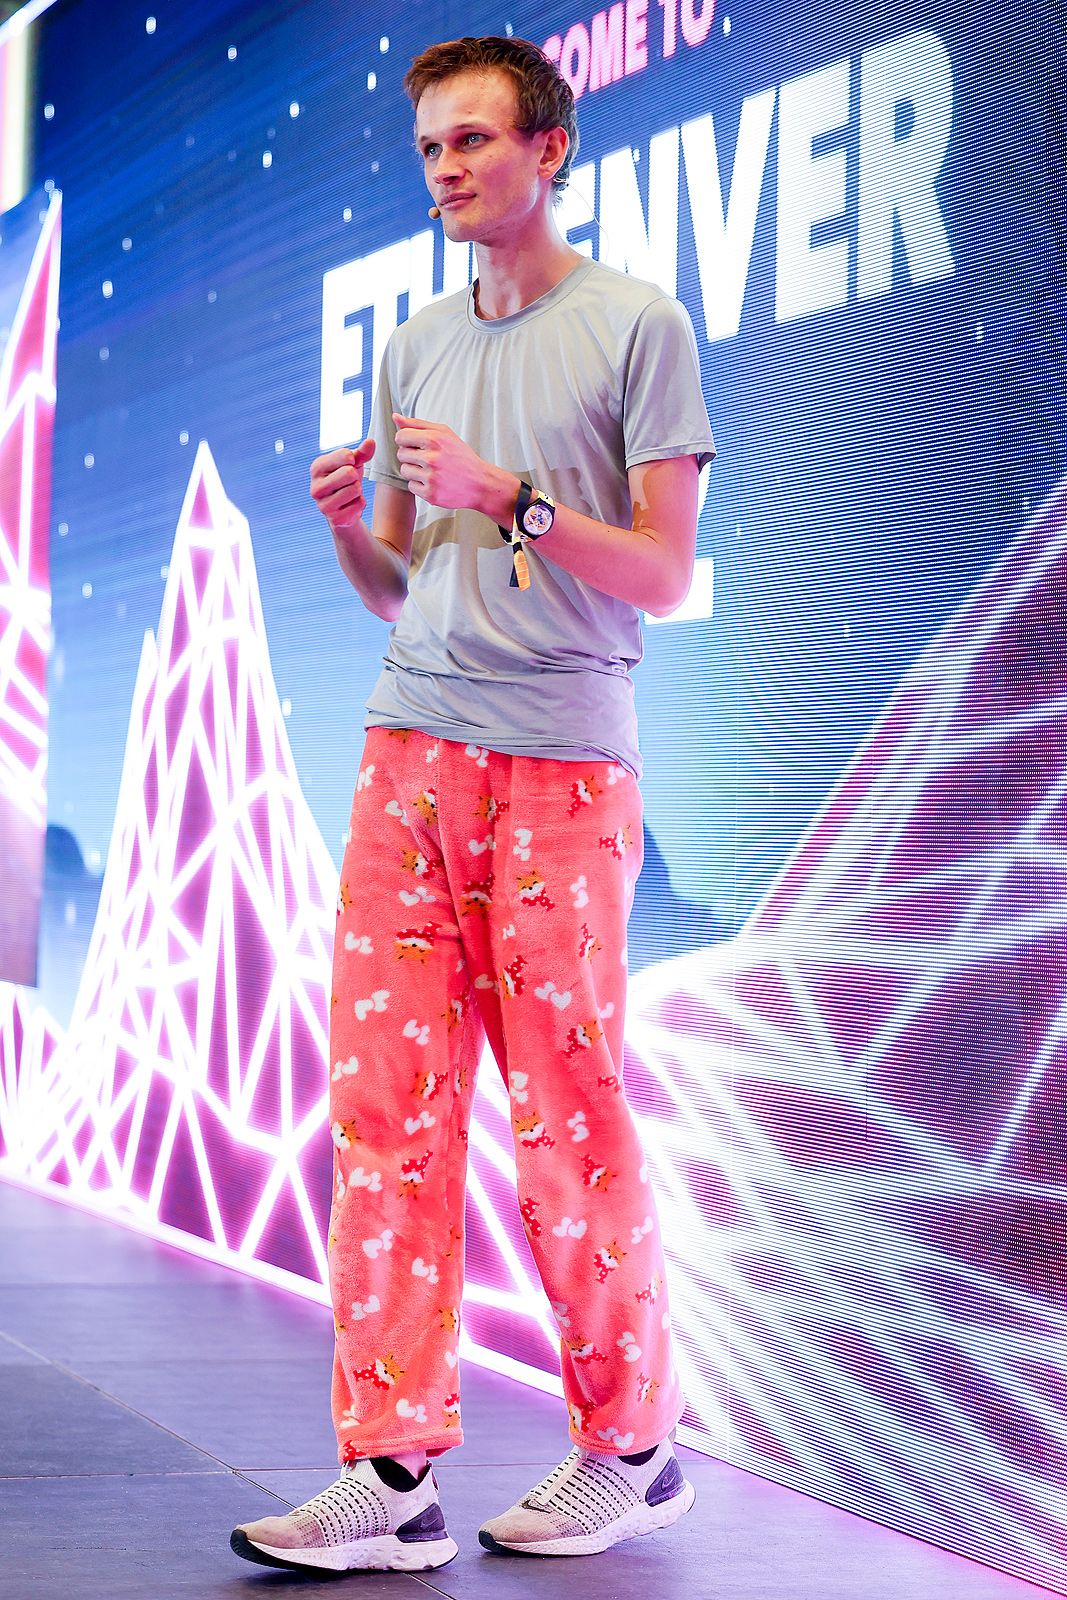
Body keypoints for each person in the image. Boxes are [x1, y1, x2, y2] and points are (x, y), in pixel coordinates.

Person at [231, 33, 715, 1574]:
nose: (445, 168)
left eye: (474, 141)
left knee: (570, 1119)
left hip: (563, 769)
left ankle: (632, 1451)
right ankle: (390, 1473)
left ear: (549, 148)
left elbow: (664, 572)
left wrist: (513, 498)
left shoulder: (637, 325)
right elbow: (399, 586)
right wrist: (346, 529)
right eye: (431, 147)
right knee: (385, 1116)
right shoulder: (417, 344)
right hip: (408, 758)